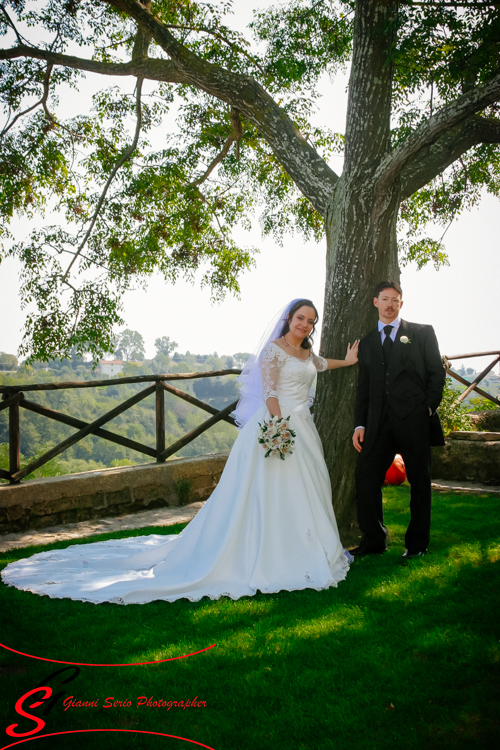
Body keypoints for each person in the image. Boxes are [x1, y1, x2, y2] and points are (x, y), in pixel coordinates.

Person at [2, 299, 359, 604]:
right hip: (276, 426)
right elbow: (268, 392)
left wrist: (349, 361)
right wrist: (279, 427)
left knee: (305, 491)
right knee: (265, 492)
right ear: (289, 319)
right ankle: (264, 553)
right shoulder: (273, 350)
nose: (306, 324)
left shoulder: (307, 352)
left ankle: (303, 547)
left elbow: (321, 365)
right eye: (301, 318)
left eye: (311, 321)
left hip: (303, 429)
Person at [351, 281, 446, 560]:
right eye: (385, 299)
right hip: (378, 424)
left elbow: (435, 373)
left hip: (414, 421)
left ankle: (417, 544)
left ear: (401, 304)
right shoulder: (367, 342)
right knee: (365, 476)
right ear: (375, 302)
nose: (390, 304)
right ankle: (374, 539)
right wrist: (360, 424)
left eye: (395, 299)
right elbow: (364, 387)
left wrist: (427, 408)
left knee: (419, 481)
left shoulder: (421, 333)